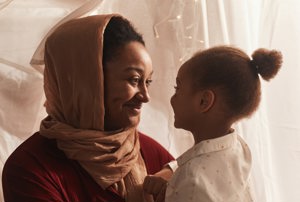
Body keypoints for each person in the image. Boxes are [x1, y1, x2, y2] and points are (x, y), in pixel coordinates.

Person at [2, 14, 174, 202]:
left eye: (147, 82)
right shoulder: (31, 167)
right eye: (133, 80)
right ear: (86, 80)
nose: (145, 96)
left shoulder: (155, 156)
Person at [143, 45, 283, 202]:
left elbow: (194, 181)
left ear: (204, 101)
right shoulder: (238, 147)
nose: (172, 98)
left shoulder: (192, 181)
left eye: (178, 88)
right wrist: (172, 174)